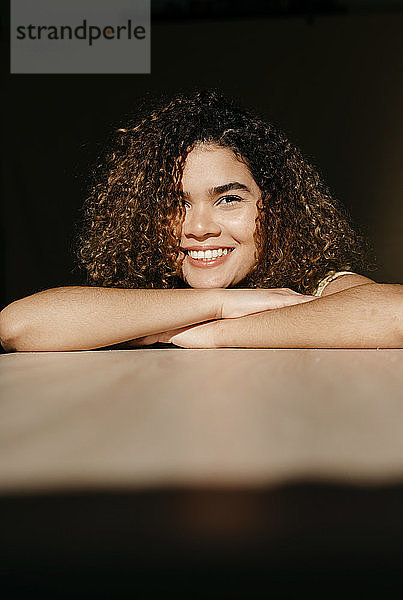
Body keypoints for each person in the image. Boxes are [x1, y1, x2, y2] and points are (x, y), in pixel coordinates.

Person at [0, 90, 402, 351]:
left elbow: (395, 313)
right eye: (176, 203)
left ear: (276, 207)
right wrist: (221, 303)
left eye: (228, 199)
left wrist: (212, 333)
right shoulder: (148, 287)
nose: (198, 227)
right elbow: (17, 325)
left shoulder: (312, 283)